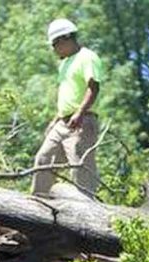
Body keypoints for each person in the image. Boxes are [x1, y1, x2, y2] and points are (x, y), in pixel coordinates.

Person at [33, 18, 103, 198]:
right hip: (63, 122)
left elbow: (93, 87)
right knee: (44, 159)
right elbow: (68, 93)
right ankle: (38, 203)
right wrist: (56, 119)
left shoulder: (87, 57)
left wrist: (79, 113)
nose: (53, 50)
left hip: (82, 121)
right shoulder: (64, 63)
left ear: (65, 39)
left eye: (54, 45)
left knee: (81, 168)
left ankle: (88, 209)